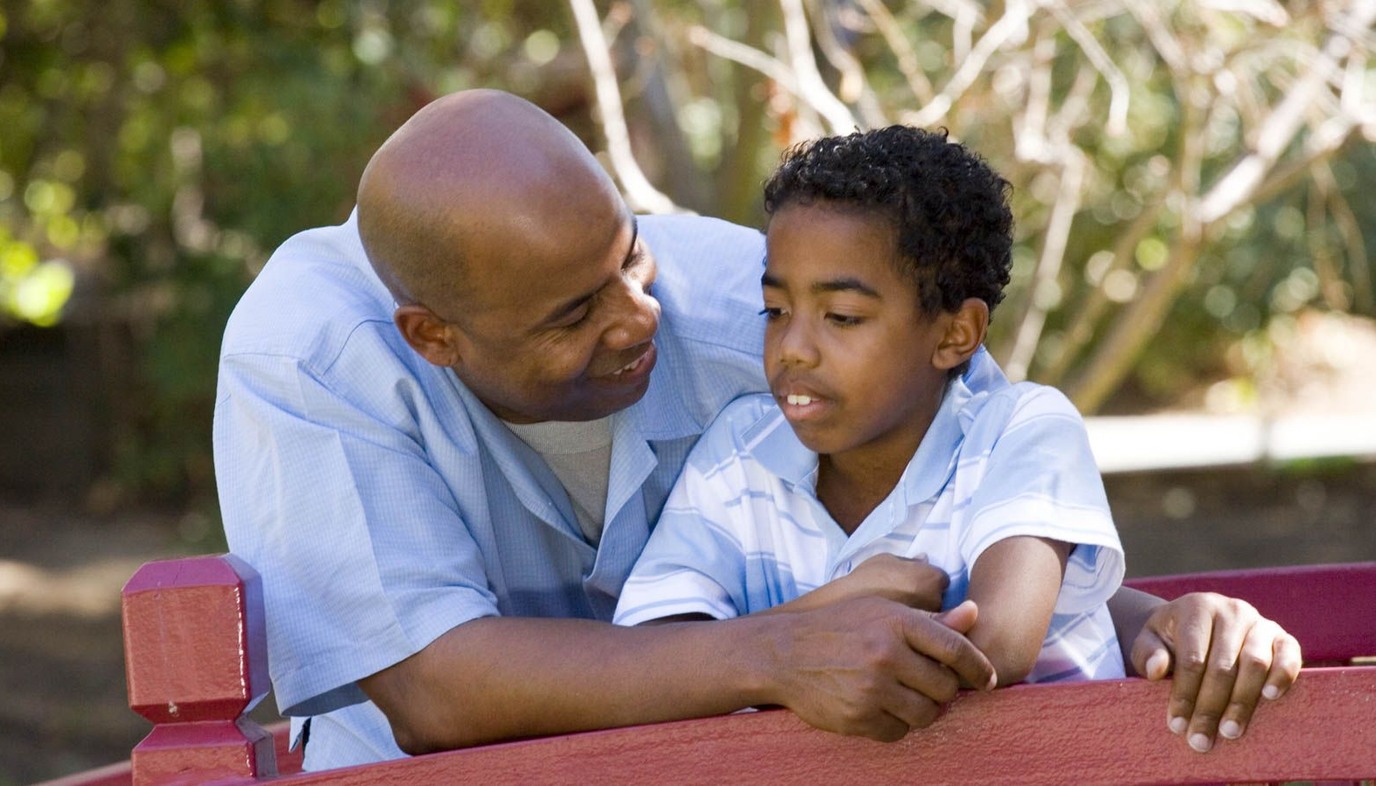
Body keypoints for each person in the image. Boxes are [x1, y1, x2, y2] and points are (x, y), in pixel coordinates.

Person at [214, 89, 1301, 771]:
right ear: (432, 337)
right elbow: (433, 691)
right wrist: (773, 651)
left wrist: (1148, 618)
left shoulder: (764, 307)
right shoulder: (309, 356)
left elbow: (973, 503)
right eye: (571, 316)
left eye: (626, 259)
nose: (639, 317)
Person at [616, 126, 1124, 691]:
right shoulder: (740, 453)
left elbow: (995, 649)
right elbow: (655, 653)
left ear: (957, 333)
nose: (793, 348)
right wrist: (841, 604)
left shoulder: (1021, 433)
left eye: (842, 317)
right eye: (776, 310)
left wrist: (762, 654)